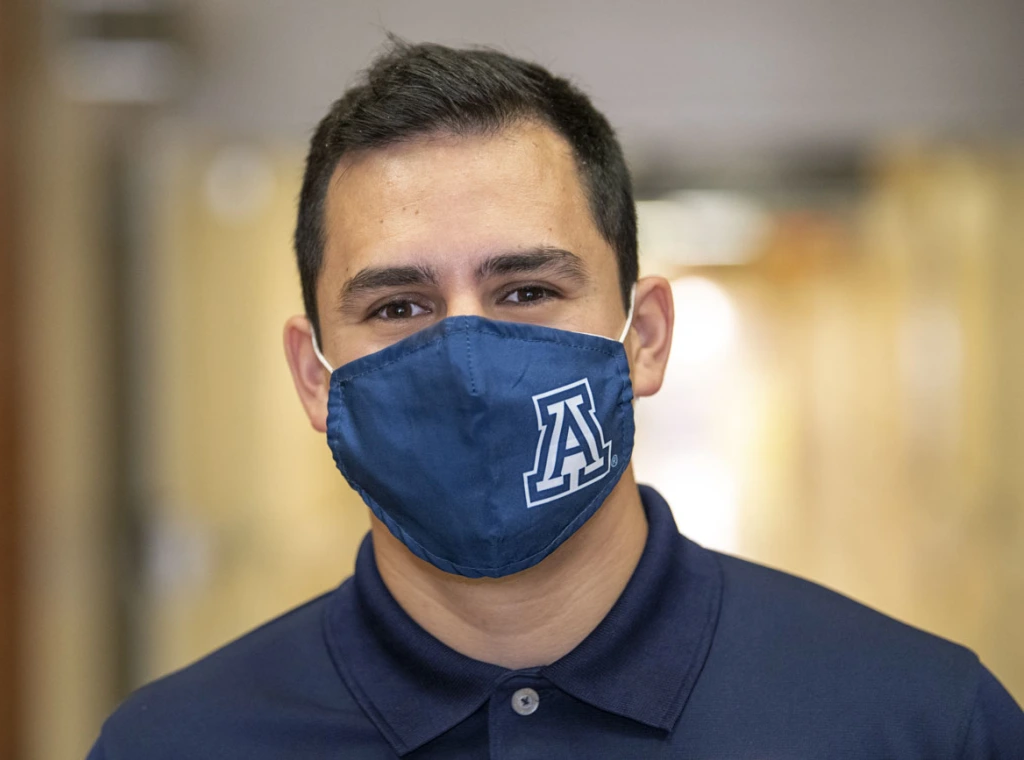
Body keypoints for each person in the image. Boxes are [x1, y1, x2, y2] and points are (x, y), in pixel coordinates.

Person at [88, 40, 1024, 759]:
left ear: (646, 337)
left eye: (527, 292)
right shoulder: (178, 743)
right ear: (314, 377)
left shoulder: (917, 721)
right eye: (399, 305)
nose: (465, 358)